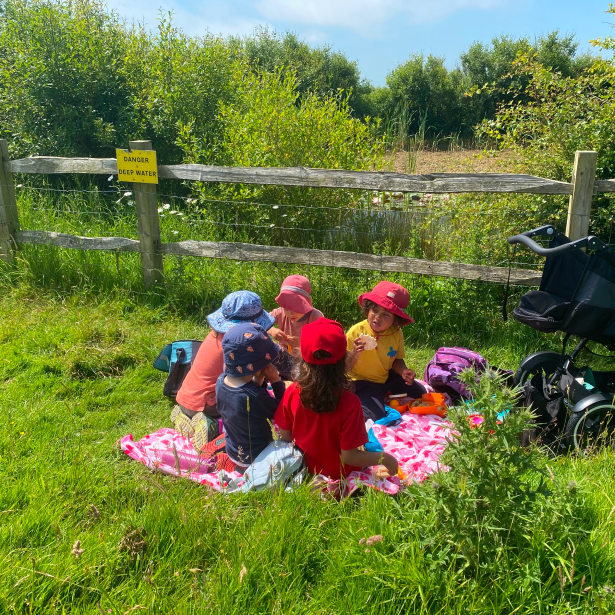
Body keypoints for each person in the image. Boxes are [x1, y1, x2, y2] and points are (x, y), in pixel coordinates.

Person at [274, 317, 398, 480]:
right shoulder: (350, 402)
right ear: (342, 361)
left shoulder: (292, 392)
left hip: (303, 468)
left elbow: (285, 437)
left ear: (302, 359)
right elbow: (350, 456)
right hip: (339, 473)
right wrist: (385, 458)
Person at [172, 291, 275, 450]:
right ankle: (211, 424)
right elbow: (257, 372)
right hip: (208, 402)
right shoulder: (242, 346)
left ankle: (184, 415)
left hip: (186, 396)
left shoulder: (217, 336)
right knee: (245, 406)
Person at [346, 281, 426, 422]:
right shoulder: (356, 332)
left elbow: (396, 359)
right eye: (375, 310)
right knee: (374, 415)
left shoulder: (396, 332)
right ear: (368, 308)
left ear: (396, 319)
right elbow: (344, 368)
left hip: (386, 375)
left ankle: (384, 392)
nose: (378, 317)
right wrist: (354, 354)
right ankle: (363, 399)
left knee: (421, 393)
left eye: (386, 315)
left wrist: (404, 372)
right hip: (362, 381)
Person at [214, 322, 286, 472]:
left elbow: (246, 404)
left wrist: (257, 382)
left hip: (233, 451)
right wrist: (276, 381)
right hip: (256, 458)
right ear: (258, 365)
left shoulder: (220, 381)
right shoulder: (254, 396)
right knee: (294, 451)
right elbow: (282, 412)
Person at [267, 274, 324, 380]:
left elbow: (321, 342)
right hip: (284, 355)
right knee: (263, 353)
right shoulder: (280, 312)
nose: (290, 313)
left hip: (305, 358)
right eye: (286, 308)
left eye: (297, 308)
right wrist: (271, 330)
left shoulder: (315, 317)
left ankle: (286, 380)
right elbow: (260, 321)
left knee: (305, 376)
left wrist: (302, 342)